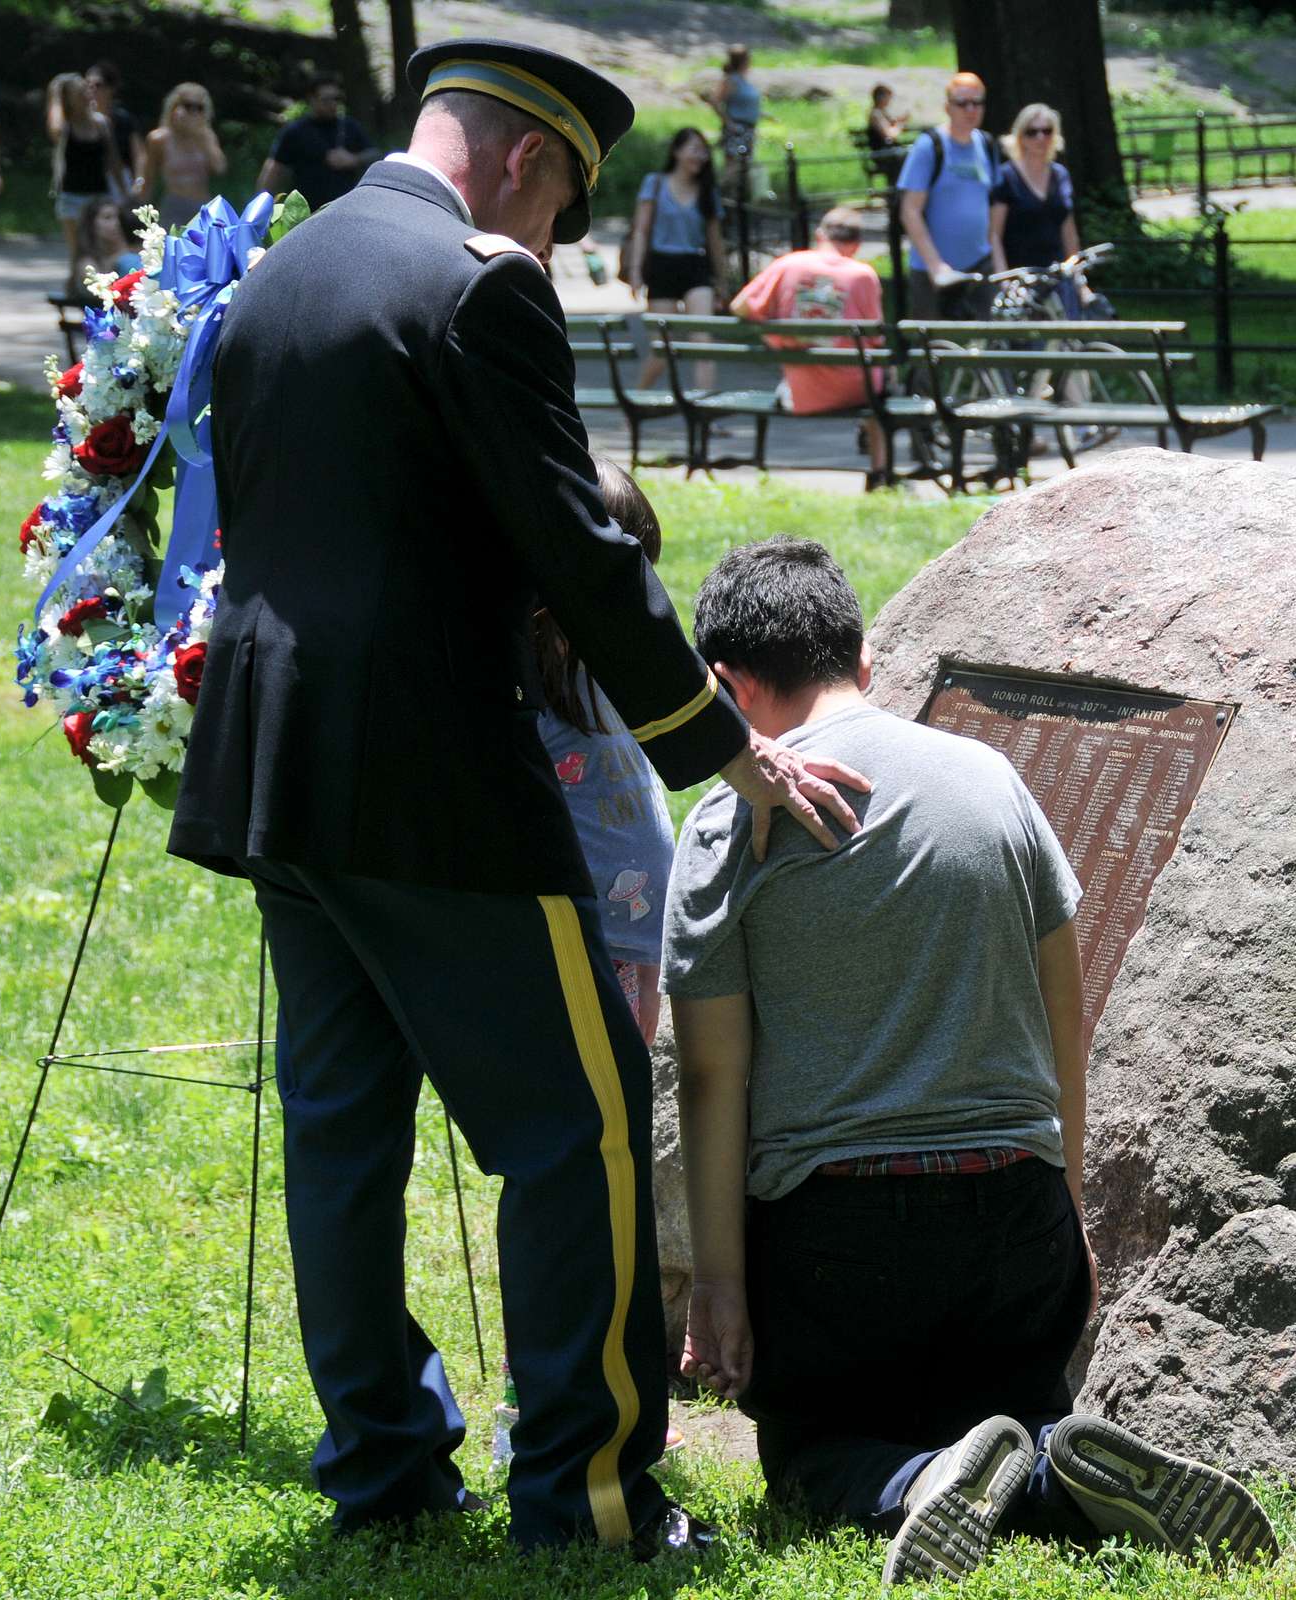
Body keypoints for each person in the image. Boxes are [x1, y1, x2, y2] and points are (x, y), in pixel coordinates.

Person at [167, 35, 868, 1556]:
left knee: (342, 1134)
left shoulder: (280, 275)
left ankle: (383, 1472)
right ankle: (587, 1494)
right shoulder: (481, 284)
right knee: (582, 1130)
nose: (550, 240)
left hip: (275, 773)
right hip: (433, 788)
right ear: (532, 162)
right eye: (561, 209)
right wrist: (717, 748)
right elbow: (577, 552)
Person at [665, 537, 1280, 1586]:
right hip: (1013, 1216)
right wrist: (1068, 1205)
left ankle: (916, 1482)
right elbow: (1062, 1010)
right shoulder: (992, 780)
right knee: (1016, 1408)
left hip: (838, 1235)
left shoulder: (733, 821)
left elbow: (714, 1076)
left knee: (812, 1457)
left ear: (728, 685)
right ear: (864, 661)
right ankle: (1044, 1466)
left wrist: (720, 1281)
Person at [535, 457, 673, 1047]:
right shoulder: (528, 683)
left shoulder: (607, 668)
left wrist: (651, 963)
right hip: (573, 945)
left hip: (633, 942)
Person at [730, 207, 889, 488]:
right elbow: (877, 338)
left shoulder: (788, 264)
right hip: (857, 391)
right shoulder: (863, 274)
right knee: (880, 380)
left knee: (788, 380)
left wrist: (774, 335)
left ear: (819, 236)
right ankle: (879, 471)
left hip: (802, 390)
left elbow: (740, 306)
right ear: (856, 245)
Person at [895, 71, 1004, 321]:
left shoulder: (987, 145)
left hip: (979, 266)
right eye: (962, 103)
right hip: (933, 271)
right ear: (947, 107)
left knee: (986, 348)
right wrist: (936, 266)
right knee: (935, 351)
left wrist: (997, 264)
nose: (970, 109)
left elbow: (993, 210)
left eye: (977, 103)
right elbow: (909, 211)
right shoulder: (929, 146)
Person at [629, 127, 725, 392]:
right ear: (677, 151)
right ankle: (636, 402)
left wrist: (723, 282)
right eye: (694, 149)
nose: (700, 156)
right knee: (662, 350)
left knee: (702, 342)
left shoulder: (708, 191)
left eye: (704, 150)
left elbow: (715, 242)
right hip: (662, 266)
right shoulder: (655, 183)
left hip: (696, 267)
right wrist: (636, 272)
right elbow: (641, 229)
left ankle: (706, 413)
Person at [989, 103, 1093, 319]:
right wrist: (1004, 281)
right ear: (1020, 136)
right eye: (1032, 132)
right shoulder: (1006, 176)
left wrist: (1079, 281)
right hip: (1022, 280)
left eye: (1046, 131)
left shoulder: (1060, 175)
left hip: (1058, 276)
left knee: (1070, 344)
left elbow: (1069, 232)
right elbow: (994, 235)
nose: (1040, 138)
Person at [47, 72, 125, 292]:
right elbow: (54, 130)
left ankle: (98, 292)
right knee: (78, 251)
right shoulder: (66, 126)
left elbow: (113, 160)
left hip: (99, 196)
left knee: (99, 249)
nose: (86, 95)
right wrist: (55, 95)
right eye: (79, 93)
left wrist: (124, 193)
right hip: (71, 196)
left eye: (86, 90)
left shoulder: (101, 123)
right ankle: (76, 292)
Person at [255, 75, 379, 213]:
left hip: (346, 207)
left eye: (336, 99)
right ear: (312, 99)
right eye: (326, 99)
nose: (332, 104)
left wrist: (353, 159)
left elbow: (374, 154)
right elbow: (275, 169)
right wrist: (261, 208)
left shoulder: (350, 126)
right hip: (306, 211)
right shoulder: (296, 131)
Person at [143, 82, 226, 231]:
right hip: (174, 205)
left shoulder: (206, 136)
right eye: (188, 106)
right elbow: (149, 178)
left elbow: (219, 168)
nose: (193, 112)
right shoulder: (159, 139)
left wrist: (200, 136)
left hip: (202, 206)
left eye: (199, 108)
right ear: (175, 106)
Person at [700, 43, 761, 184]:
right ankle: (721, 196)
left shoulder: (744, 80)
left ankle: (738, 198)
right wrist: (728, 122)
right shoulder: (731, 80)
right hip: (737, 129)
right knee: (732, 168)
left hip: (748, 129)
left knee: (745, 166)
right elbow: (715, 100)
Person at [86, 61, 144, 194]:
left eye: (98, 85)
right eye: (87, 85)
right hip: (88, 182)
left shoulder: (124, 119)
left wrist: (139, 182)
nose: (91, 89)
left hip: (119, 182)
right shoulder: (80, 120)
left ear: (111, 88)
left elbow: (139, 155)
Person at [74, 196, 143, 286]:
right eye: (107, 218)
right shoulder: (86, 263)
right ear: (91, 225)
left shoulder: (130, 252)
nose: (116, 223)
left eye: (118, 217)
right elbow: (100, 289)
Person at [865, 83, 907, 185]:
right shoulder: (876, 114)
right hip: (882, 154)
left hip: (888, 152)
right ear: (881, 98)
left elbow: (891, 124)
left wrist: (898, 121)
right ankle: (897, 192)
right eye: (888, 97)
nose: (889, 101)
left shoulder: (882, 112)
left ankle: (900, 191)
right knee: (907, 156)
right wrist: (900, 125)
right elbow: (889, 135)